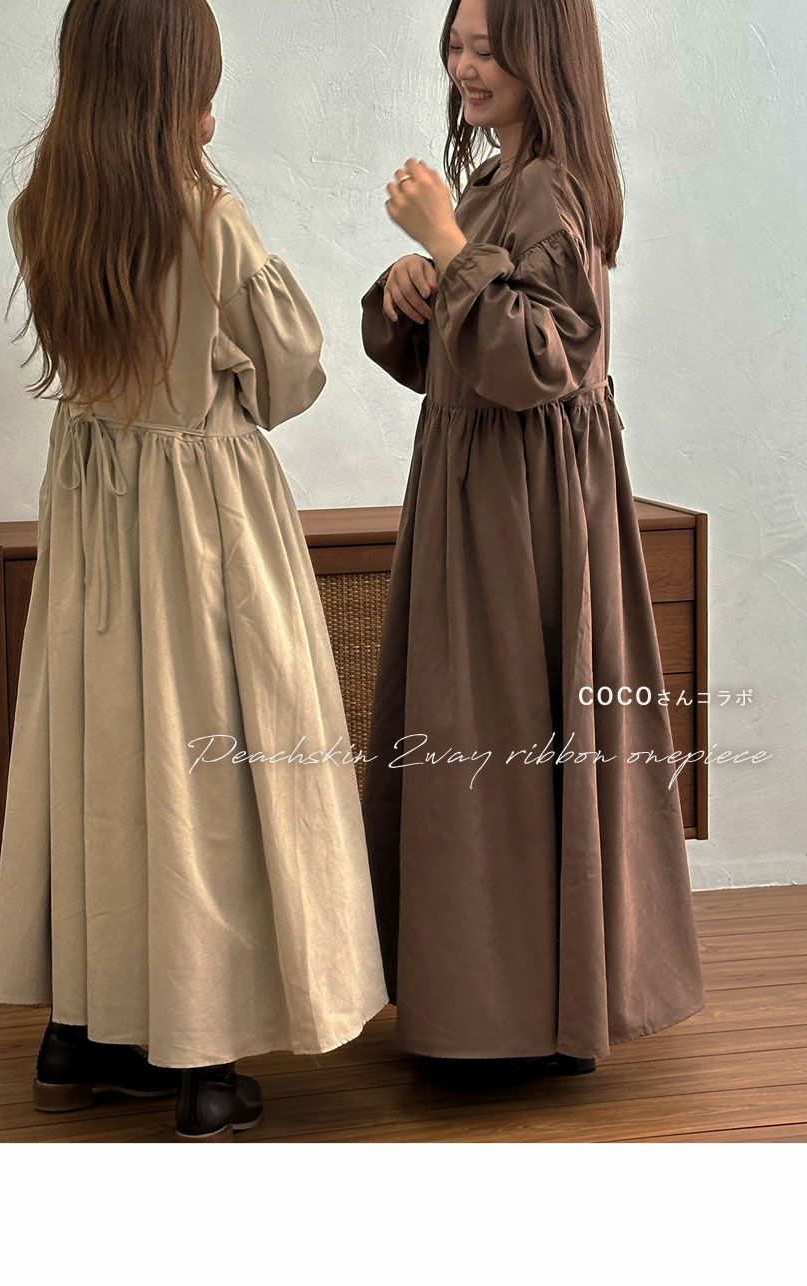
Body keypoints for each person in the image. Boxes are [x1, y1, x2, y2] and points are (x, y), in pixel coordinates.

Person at [0, 0, 388, 1142]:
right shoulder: (211, 220)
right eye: (201, 89)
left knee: (103, 763)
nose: (212, 110)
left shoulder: (43, 212)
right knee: (211, 774)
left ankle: (80, 1037)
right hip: (202, 525)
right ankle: (203, 1062)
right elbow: (292, 373)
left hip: (94, 521)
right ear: (176, 95)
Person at [359, 0, 705, 1072]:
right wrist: (412, 290)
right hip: (476, 498)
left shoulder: (552, 189)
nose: (464, 66)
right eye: (455, 46)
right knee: (475, 737)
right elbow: (470, 351)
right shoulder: (494, 181)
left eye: (487, 48)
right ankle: (489, 1003)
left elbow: (537, 364)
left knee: (506, 734)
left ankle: (521, 1015)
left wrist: (449, 249)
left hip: (528, 514)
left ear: (540, 56)